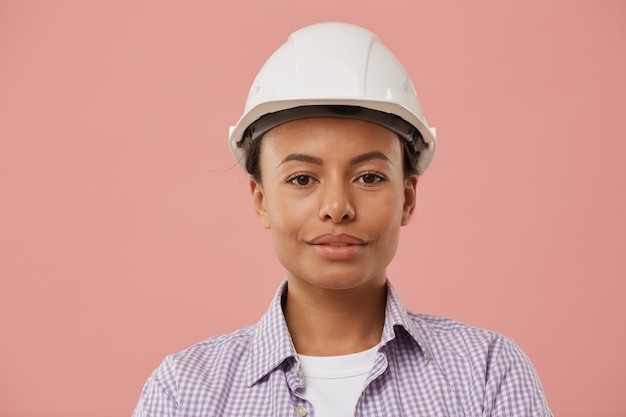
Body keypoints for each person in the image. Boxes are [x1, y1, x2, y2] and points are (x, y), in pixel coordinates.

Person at [132, 22, 552, 417]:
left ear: (407, 198)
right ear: (261, 200)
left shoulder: (486, 375)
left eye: (369, 177)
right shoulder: (187, 393)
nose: (337, 206)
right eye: (301, 178)